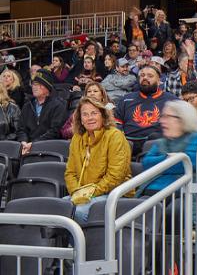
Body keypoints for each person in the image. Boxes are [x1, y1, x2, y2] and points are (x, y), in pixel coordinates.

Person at [141, 100, 197, 226]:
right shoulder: (161, 142)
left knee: (175, 210)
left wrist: (165, 163)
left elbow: (193, 161)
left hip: (181, 193)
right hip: (152, 192)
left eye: (167, 117)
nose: (161, 121)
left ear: (183, 119)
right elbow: (147, 163)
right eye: (162, 116)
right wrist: (172, 159)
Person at [64, 97, 132, 225]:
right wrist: (76, 191)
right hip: (83, 193)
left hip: (112, 193)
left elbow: (115, 176)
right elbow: (70, 172)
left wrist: (90, 193)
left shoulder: (115, 136)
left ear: (103, 116)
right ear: (80, 120)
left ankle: (84, 245)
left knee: (79, 211)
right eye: (85, 114)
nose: (90, 118)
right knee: (59, 207)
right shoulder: (77, 138)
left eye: (94, 113)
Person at [115, 65, 177, 156]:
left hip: (156, 147)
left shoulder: (171, 101)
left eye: (150, 76)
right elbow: (116, 123)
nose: (145, 78)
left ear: (159, 81)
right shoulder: (126, 99)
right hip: (127, 146)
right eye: (142, 75)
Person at [17, 69, 68, 154]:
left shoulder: (58, 105)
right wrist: (23, 142)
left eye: (38, 84)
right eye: (33, 84)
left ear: (47, 87)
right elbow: (21, 129)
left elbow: (55, 131)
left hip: (50, 148)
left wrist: (34, 144)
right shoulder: (27, 105)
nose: (34, 87)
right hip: (27, 148)